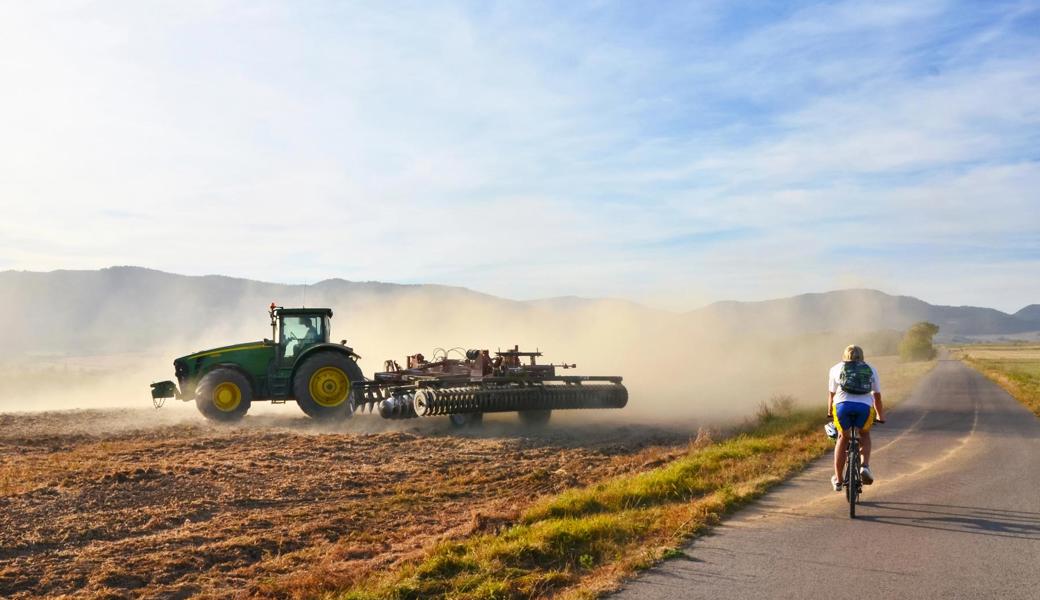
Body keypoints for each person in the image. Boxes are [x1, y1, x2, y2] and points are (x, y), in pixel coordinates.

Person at [827, 344, 885, 491]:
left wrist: (829, 412)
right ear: (862, 355)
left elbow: (832, 395)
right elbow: (877, 396)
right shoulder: (871, 369)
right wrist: (880, 415)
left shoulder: (835, 368)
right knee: (864, 434)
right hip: (864, 408)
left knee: (842, 437)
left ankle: (839, 480)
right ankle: (864, 466)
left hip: (842, 407)